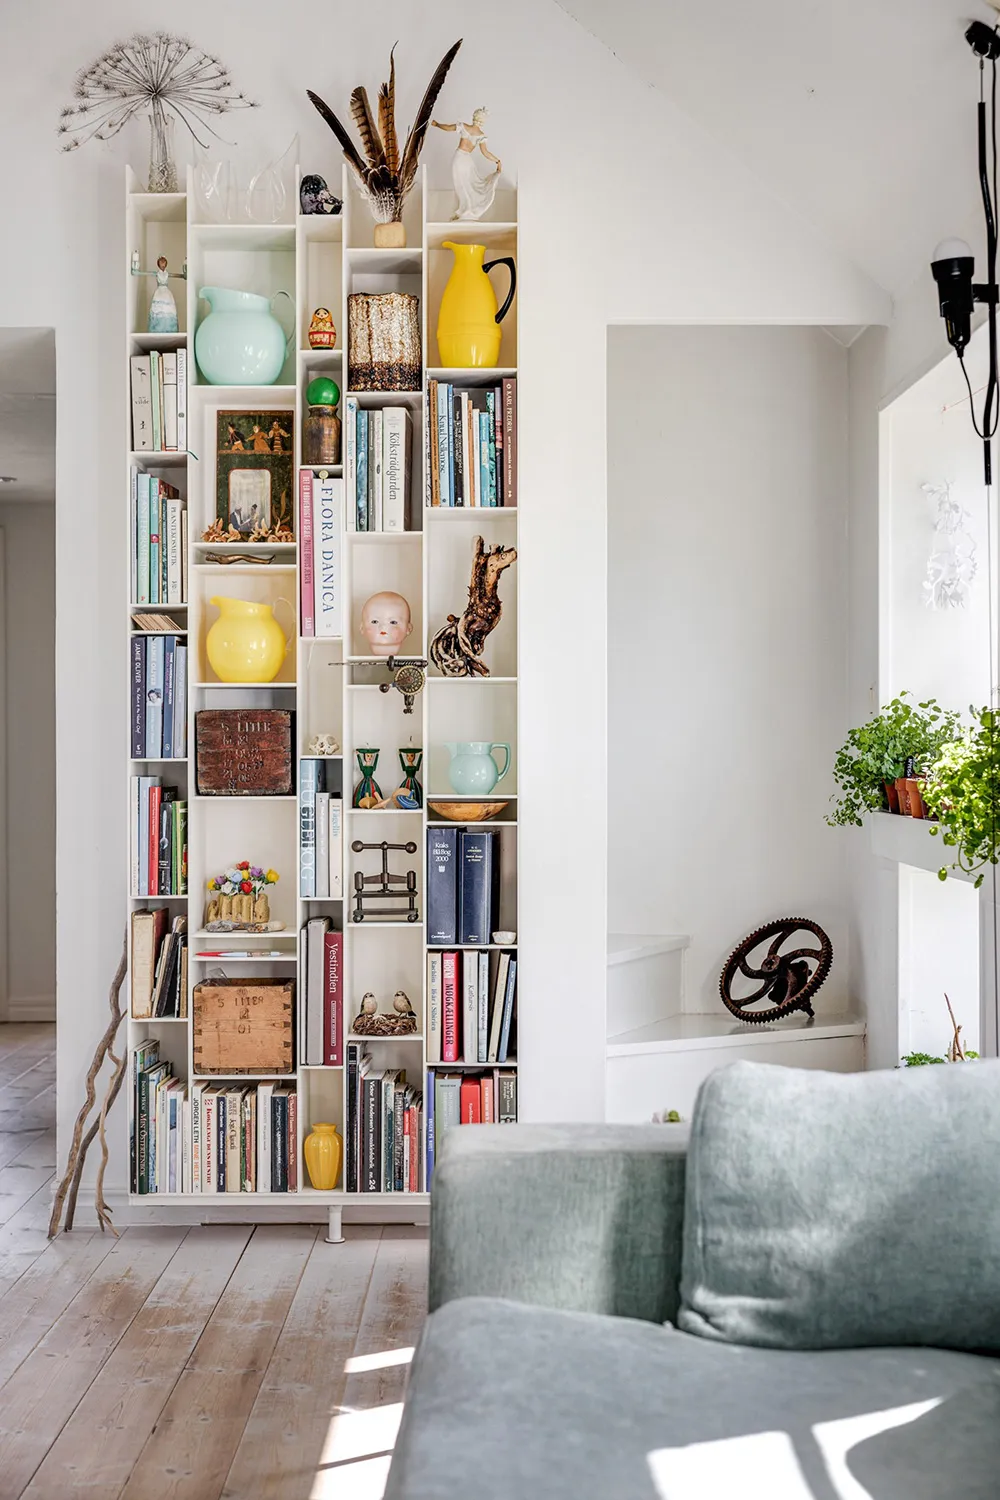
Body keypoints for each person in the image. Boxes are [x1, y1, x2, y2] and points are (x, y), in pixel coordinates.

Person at [431, 108, 502, 221]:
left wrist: (437, 124)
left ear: (474, 117)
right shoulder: (480, 135)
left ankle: (465, 211)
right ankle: (465, 211)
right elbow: (485, 153)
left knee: (462, 185)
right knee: (466, 185)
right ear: (483, 121)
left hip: (459, 158)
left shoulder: (464, 127)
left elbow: (448, 127)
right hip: (466, 160)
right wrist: (497, 161)